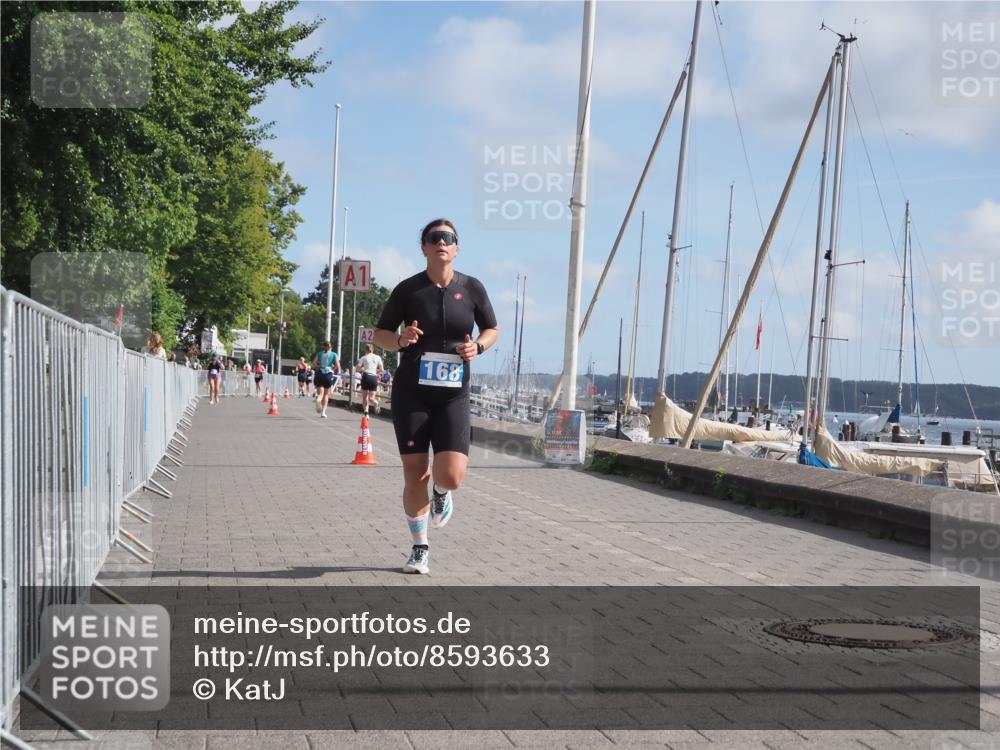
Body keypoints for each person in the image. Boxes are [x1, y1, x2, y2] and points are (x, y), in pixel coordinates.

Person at [374, 219, 499, 575]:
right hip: (412, 392)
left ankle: (443, 493)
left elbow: (492, 328)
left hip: (453, 394)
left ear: (457, 247)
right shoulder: (408, 290)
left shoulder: (472, 288)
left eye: (448, 238)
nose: (441, 242)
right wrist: (399, 340)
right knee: (415, 474)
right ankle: (419, 547)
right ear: (424, 247)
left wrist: (478, 345)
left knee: (453, 474)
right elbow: (380, 334)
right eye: (434, 238)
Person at [355, 344, 384, 414]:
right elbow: (382, 369)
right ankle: (376, 402)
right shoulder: (378, 357)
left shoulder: (363, 357)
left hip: (366, 376)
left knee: (365, 397)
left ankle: (366, 413)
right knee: (371, 398)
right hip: (373, 377)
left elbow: (357, 369)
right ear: (373, 349)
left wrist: (363, 369)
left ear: (366, 350)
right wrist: (374, 371)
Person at [312, 341, 339, 418]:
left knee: (320, 393)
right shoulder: (334, 354)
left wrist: (318, 367)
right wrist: (332, 369)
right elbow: (337, 365)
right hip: (328, 374)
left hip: (320, 373)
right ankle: (323, 412)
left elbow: (314, 363)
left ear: (324, 347)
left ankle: (318, 400)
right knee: (326, 394)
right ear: (331, 347)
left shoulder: (319, 353)